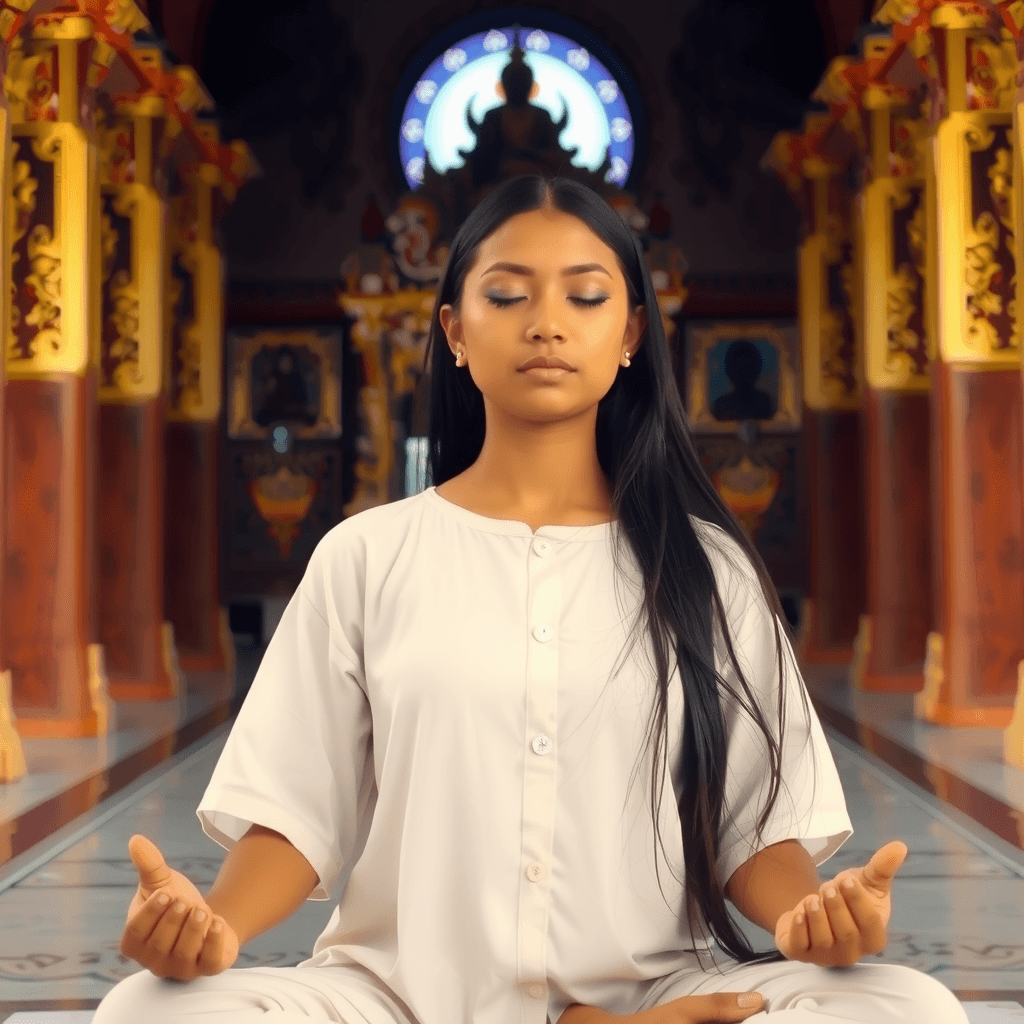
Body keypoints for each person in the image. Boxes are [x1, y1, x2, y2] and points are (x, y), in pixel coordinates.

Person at [93, 175, 968, 1024]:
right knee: (144, 1011)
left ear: (630, 333)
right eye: (507, 295)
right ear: (455, 332)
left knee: (909, 1006)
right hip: (401, 996)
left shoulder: (709, 569)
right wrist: (212, 929)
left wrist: (809, 921)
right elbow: (294, 814)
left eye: (586, 298)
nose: (547, 324)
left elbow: (753, 828)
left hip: (657, 990)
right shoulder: (366, 557)